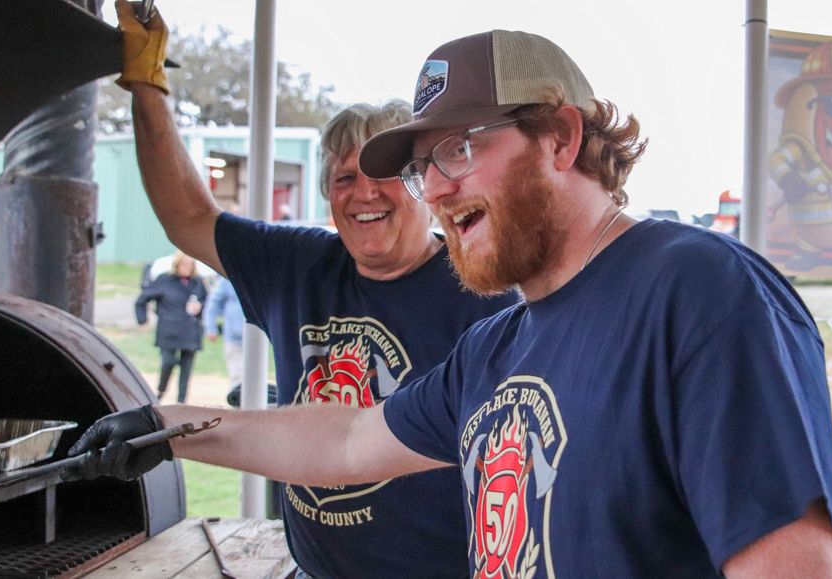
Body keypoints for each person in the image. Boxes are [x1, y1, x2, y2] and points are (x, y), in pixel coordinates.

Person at [70, 17, 832, 577]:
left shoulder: (698, 290)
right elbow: (343, 443)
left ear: (560, 139)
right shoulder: (500, 344)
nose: (435, 187)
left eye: (460, 148)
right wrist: (166, 425)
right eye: (423, 165)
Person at [73, 3, 519, 577]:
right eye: (344, 178)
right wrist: (146, 82)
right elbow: (186, 216)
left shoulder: (481, 292)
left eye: (383, 174)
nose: (364, 193)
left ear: (422, 186)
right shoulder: (299, 264)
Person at [134, 250, 208, 403]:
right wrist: (143, 320)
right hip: (169, 331)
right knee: (168, 362)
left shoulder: (197, 283)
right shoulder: (164, 280)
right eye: (184, 263)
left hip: (190, 332)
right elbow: (141, 300)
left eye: (190, 264)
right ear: (177, 264)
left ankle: (182, 400)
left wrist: (200, 308)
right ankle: (161, 390)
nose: (187, 267)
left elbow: (208, 303)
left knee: (186, 368)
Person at [202, 276, 244, 389]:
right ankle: (237, 403)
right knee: (237, 376)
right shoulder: (227, 280)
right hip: (234, 337)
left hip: (259, 338)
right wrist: (210, 327)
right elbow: (213, 304)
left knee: (256, 375)